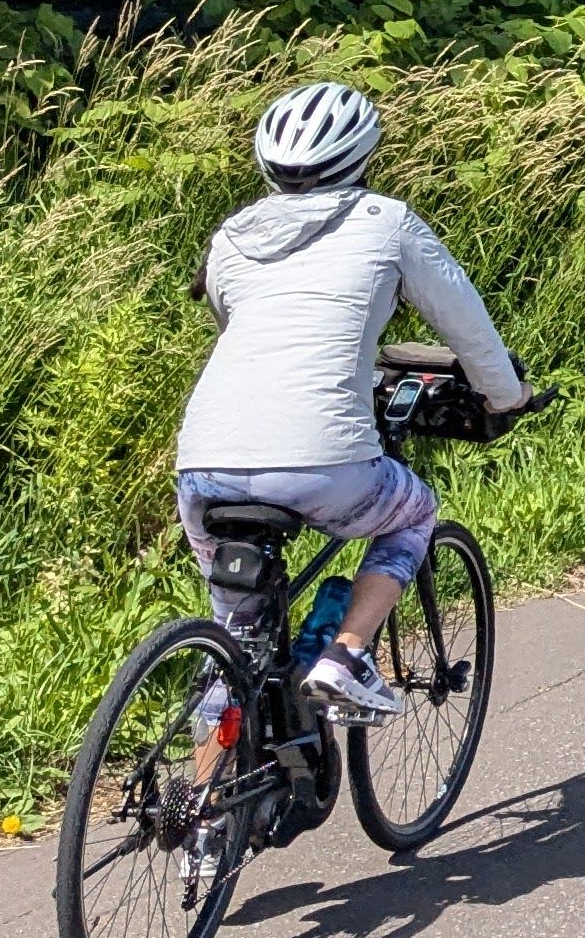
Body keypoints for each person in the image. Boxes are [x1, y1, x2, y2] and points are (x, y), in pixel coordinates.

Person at [176, 81, 527, 728]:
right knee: (413, 512)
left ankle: (201, 810)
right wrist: (508, 394)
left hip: (203, 467)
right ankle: (346, 656)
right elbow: (469, 329)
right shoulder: (387, 223)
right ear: (366, 152)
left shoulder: (232, 236)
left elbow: (256, 339)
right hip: (321, 462)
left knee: (234, 636)